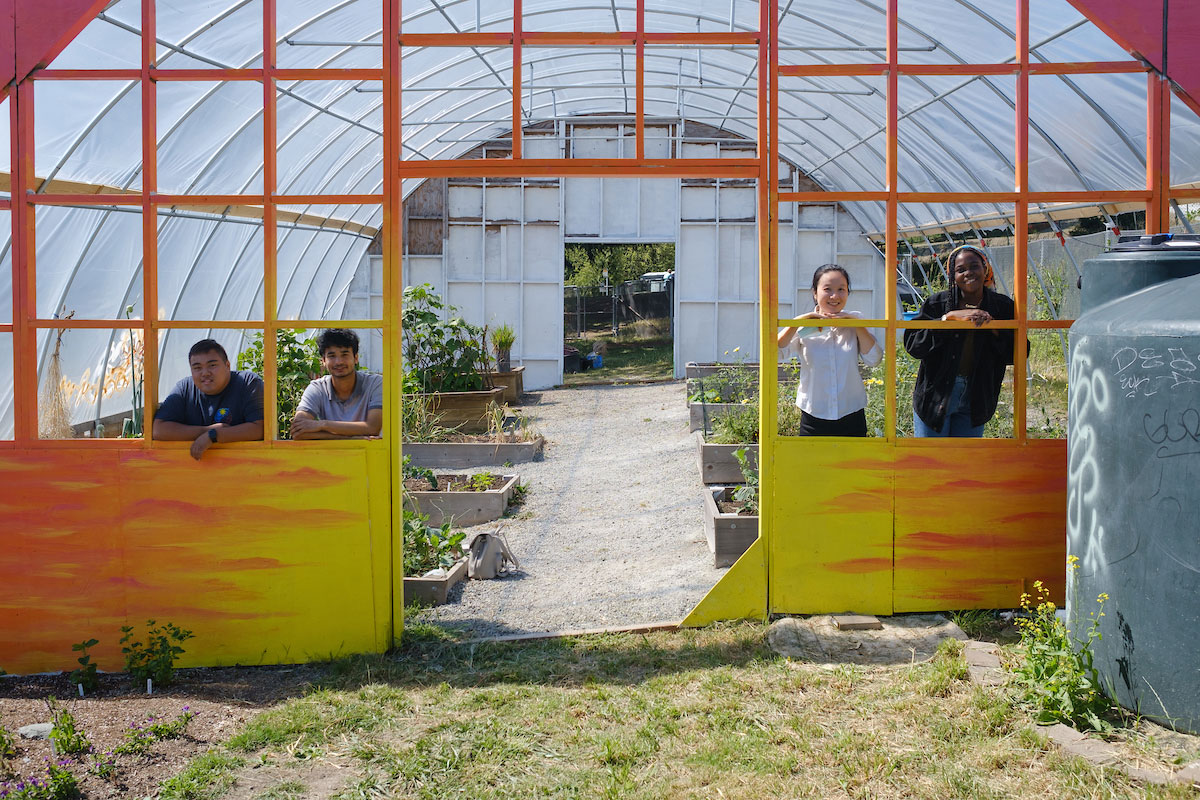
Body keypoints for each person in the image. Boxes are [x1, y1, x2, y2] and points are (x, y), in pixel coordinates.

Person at [903, 244, 1020, 437]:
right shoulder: (937, 304)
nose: (968, 273)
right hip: (935, 397)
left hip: (976, 397)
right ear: (952, 276)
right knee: (931, 463)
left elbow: (1018, 353)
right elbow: (914, 346)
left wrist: (995, 327)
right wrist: (947, 319)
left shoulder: (1002, 307)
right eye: (960, 270)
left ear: (985, 269)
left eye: (974, 266)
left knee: (964, 463)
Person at [777, 264, 882, 436]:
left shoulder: (856, 320)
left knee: (853, 463)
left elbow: (874, 359)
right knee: (815, 463)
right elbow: (775, 353)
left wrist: (854, 323)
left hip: (852, 413)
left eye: (841, 289)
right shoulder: (804, 325)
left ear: (848, 292)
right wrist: (797, 322)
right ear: (815, 293)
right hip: (813, 415)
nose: (834, 296)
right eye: (827, 289)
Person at [153, 338, 265, 459]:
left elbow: (260, 428)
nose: (205, 373)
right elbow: (159, 430)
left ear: (227, 365)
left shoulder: (248, 382)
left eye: (212, 365)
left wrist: (214, 436)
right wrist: (207, 431)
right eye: (197, 368)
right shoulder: (185, 387)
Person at [290, 328, 383, 440]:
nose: (338, 362)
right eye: (332, 356)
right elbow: (298, 432)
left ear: (356, 358)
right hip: (330, 456)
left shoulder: (375, 383)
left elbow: (372, 428)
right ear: (323, 361)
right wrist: (351, 439)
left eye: (344, 355)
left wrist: (322, 425)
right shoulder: (317, 388)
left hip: (371, 455)